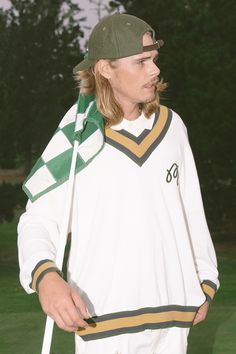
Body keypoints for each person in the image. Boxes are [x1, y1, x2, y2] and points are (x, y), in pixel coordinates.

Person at [17, 13, 219, 354]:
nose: (154, 70)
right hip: (103, 320)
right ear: (105, 69)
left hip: (173, 317)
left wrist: (205, 279)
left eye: (154, 59)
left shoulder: (172, 127)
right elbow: (38, 218)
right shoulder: (79, 132)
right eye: (141, 62)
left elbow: (190, 211)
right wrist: (45, 277)